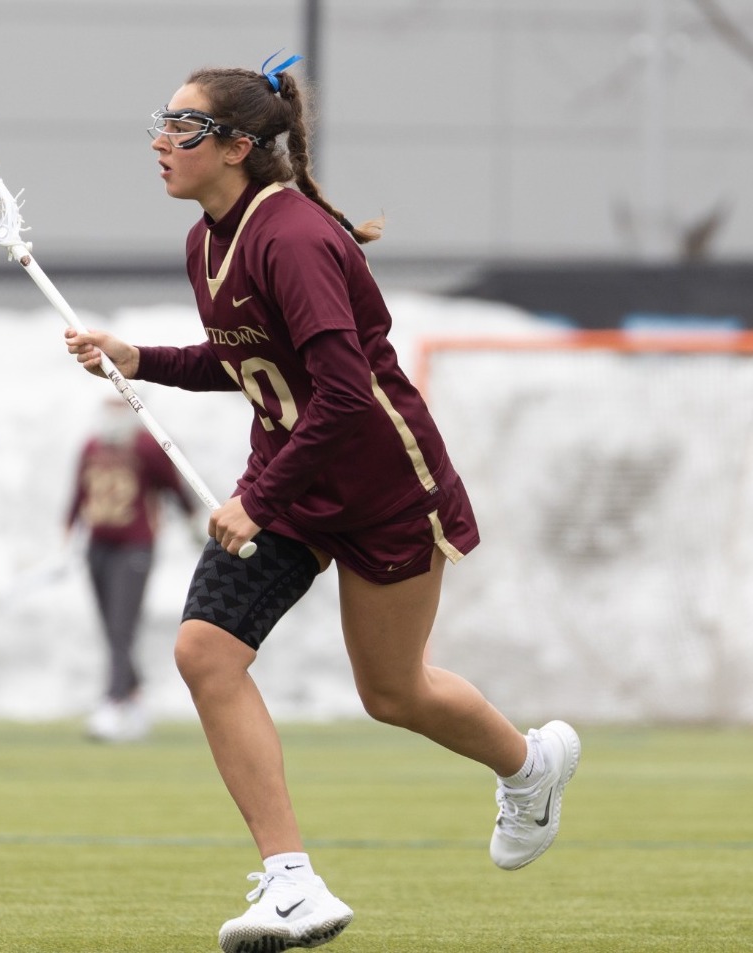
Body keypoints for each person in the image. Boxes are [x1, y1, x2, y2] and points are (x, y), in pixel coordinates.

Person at [64, 59, 580, 952]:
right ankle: (293, 883)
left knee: (392, 691)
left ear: (233, 148)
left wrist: (256, 499)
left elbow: (342, 394)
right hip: (296, 480)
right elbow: (247, 359)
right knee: (204, 652)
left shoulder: (291, 237)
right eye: (161, 121)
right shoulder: (206, 239)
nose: (159, 141)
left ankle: (530, 767)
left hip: (381, 484)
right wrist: (139, 357)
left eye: (182, 128)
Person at [65, 397, 193, 742]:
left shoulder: (148, 447)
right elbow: (79, 492)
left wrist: (196, 523)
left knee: (122, 627)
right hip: (98, 544)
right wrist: (68, 530)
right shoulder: (92, 445)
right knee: (111, 628)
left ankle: (112, 703)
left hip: (135, 546)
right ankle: (135, 699)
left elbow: (173, 486)